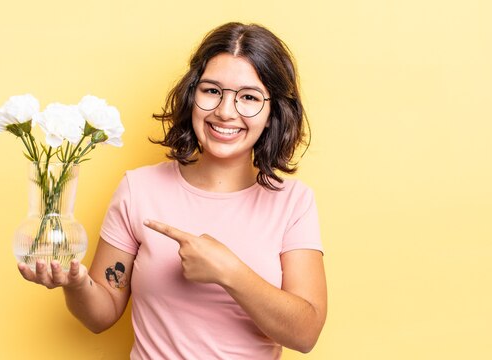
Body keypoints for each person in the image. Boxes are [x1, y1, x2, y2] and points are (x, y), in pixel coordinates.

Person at [18, 22, 327, 359]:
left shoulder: (293, 202)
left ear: (272, 113)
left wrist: (229, 271)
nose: (225, 112)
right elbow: (101, 314)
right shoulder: (139, 189)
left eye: (249, 97)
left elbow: (305, 333)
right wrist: (76, 285)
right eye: (211, 91)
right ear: (192, 95)